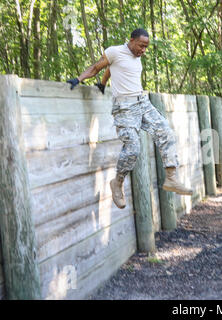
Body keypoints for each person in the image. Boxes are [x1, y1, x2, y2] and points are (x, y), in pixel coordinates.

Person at [67, 28, 193, 209]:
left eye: (146, 47)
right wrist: (79, 79)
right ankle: (117, 183)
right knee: (133, 148)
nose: (143, 50)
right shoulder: (114, 51)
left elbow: (112, 69)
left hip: (142, 102)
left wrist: (103, 83)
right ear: (132, 40)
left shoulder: (137, 56)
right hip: (124, 107)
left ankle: (171, 178)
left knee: (166, 132)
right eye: (141, 45)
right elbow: (98, 66)